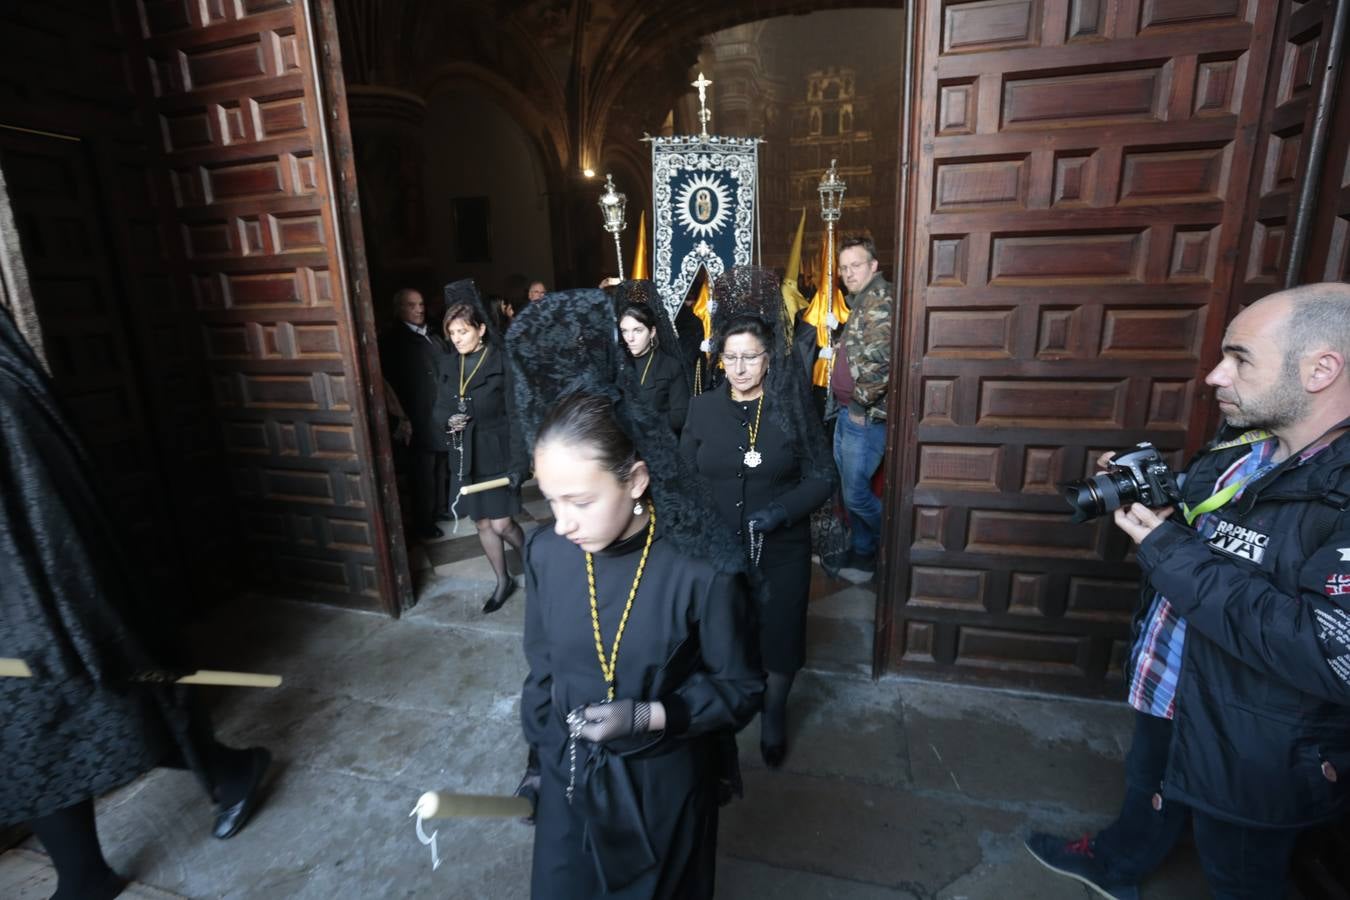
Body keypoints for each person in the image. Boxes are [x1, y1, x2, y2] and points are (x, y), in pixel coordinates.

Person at [1026, 283, 1350, 900]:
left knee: (1239, 874)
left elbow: (1331, 651)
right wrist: (1159, 504)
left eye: (1239, 358)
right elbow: (1216, 542)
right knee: (1149, 782)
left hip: (1260, 747)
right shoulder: (1244, 447)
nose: (1213, 375)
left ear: (1321, 369)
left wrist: (1168, 550)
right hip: (1176, 687)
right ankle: (1119, 861)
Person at [0, 306, 271, 900]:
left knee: (91, 712)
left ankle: (88, 872)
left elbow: (44, 524)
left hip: (36, 606)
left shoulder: (4, 394)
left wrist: (59, 624)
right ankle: (222, 776)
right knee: (42, 735)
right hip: (21, 613)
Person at [508, 290, 763, 899]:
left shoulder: (701, 572)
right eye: (549, 499)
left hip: (661, 790)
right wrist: (539, 765)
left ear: (638, 480)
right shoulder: (547, 554)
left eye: (581, 500)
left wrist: (650, 714)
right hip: (571, 782)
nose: (562, 522)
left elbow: (739, 689)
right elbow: (543, 674)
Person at [680, 266, 835, 769]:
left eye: (751, 358)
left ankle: (773, 714)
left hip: (781, 550)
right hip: (716, 550)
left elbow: (822, 476)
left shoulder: (792, 409)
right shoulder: (702, 410)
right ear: (718, 359)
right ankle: (723, 710)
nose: (741, 368)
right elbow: (683, 475)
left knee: (780, 637)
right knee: (721, 634)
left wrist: (780, 512)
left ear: (770, 359)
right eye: (731, 358)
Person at [438, 279, 525, 614]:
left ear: (482, 329)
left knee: (502, 524)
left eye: (463, 331)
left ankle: (533, 562)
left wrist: (520, 462)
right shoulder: (449, 365)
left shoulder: (502, 362)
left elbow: (516, 415)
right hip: (466, 455)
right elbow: (439, 407)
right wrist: (448, 420)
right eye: (452, 333)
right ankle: (502, 580)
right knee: (483, 524)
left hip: (498, 451)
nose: (457, 339)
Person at [829, 235, 893, 574]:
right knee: (849, 489)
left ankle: (896, 544)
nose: (849, 273)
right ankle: (863, 551)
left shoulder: (880, 301)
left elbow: (881, 366)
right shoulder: (861, 300)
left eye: (856, 265)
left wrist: (856, 407)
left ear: (873, 266)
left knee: (855, 495)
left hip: (864, 416)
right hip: (847, 411)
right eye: (844, 267)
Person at [379, 288, 449, 540]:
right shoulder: (392, 340)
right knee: (422, 471)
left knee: (441, 463)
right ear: (399, 309)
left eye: (420, 304)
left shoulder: (431, 334)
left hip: (439, 410)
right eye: (411, 305)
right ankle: (423, 521)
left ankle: (440, 509)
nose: (419, 309)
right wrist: (402, 416)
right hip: (417, 413)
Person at [611, 282, 690, 435]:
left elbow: (681, 415)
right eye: (624, 331)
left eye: (637, 331)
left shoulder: (670, 366)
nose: (630, 338)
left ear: (652, 332)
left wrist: (646, 422)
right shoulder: (615, 365)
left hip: (658, 443)